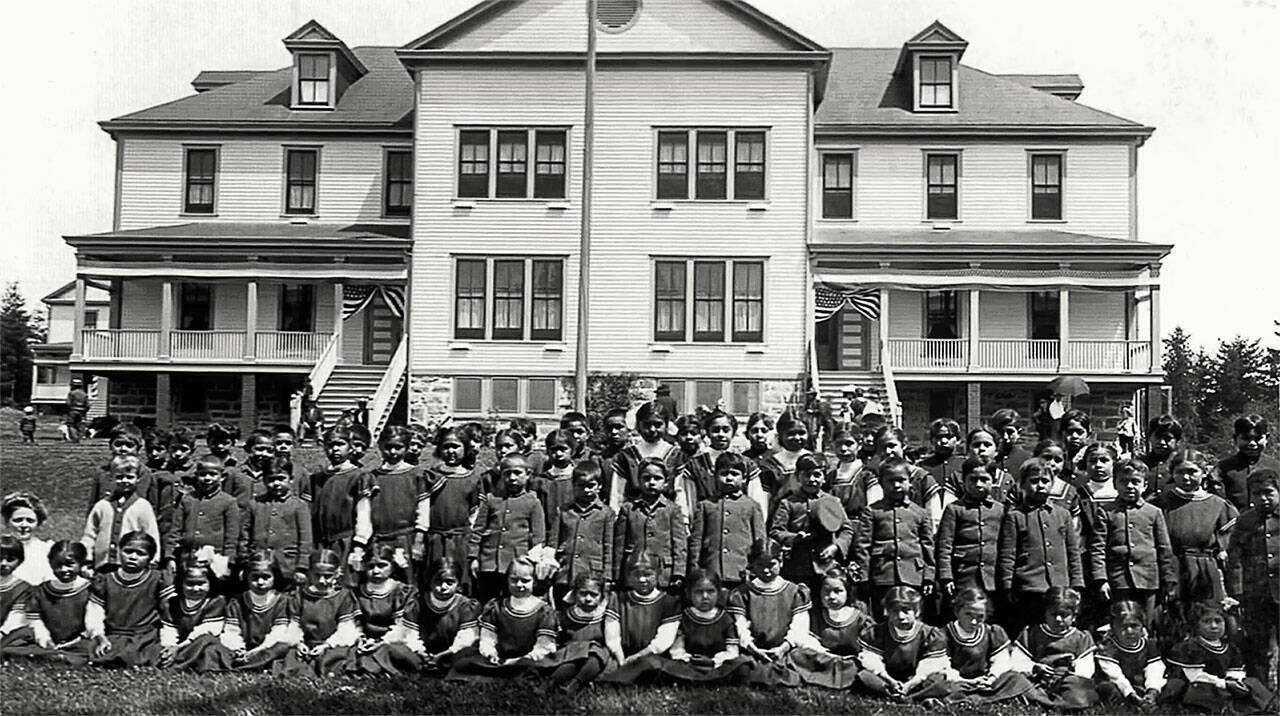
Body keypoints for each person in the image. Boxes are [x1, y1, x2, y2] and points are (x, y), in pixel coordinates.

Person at [1150, 449, 1239, 643]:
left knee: (1207, 620)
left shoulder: (1219, 505)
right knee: (1173, 622)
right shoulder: (1161, 503)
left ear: (1204, 472)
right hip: (1172, 569)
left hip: (1205, 571)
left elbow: (1230, 545)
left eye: (1192, 472)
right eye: (1180, 472)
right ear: (1172, 473)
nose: (1186, 477)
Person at [1081, 459, 1176, 629]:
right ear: (1115, 484)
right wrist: (1101, 579)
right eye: (1124, 482)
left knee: (1146, 624)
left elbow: (1164, 548)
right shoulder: (1106, 511)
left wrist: (1168, 579)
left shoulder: (1153, 512)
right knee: (1121, 622)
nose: (1130, 486)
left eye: (1136, 482)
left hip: (1148, 580)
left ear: (1145, 485)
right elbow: (1098, 547)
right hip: (1118, 580)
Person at [997, 459, 1084, 640]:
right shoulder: (1015, 516)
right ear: (1023, 485)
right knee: (1030, 633)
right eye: (1034, 481)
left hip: (1059, 586)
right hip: (1029, 587)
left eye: (1045, 481)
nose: (1040, 486)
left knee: (1056, 630)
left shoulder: (1063, 515)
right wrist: (1007, 586)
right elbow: (1008, 554)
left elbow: (1072, 552)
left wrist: (1076, 584)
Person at [446, 556, 558, 681]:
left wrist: (523, 659)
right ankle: (501, 670)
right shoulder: (497, 607)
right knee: (464, 659)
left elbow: (543, 646)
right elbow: (487, 638)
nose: (519, 585)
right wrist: (490, 653)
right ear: (507, 580)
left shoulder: (544, 611)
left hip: (527, 659)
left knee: (536, 666)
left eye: (525, 581)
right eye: (514, 580)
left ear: (534, 582)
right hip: (500, 657)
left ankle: (508, 672)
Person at [349, 425, 431, 586]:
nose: (393, 452)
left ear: (406, 448)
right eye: (388, 447)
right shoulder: (371, 477)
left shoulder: (417, 475)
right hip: (378, 540)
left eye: (398, 447)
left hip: (405, 539)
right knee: (377, 580)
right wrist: (361, 542)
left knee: (406, 582)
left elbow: (423, 509)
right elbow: (364, 511)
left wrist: (419, 540)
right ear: (380, 447)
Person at [855, 457, 935, 619]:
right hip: (883, 575)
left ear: (910, 481)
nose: (896, 486)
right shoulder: (872, 512)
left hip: (913, 575)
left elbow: (928, 546)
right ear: (881, 483)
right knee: (884, 617)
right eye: (890, 481)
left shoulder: (920, 513)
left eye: (901, 480)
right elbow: (862, 546)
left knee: (911, 616)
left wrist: (928, 577)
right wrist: (864, 576)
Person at [1162, 601, 1275, 712]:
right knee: (1202, 690)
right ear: (1196, 625)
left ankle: (1263, 708)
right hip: (1198, 687)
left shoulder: (1230, 648)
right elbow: (1195, 676)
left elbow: (1234, 670)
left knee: (1252, 682)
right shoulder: (1190, 647)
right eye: (1207, 622)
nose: (1214, 626)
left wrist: (1234, 681)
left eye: (1218, 621)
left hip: (1223, 686)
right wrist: (1223, 684)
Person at [768, 454, 854, 593]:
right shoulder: (788, 503)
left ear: (824, 477)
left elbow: (846, 530)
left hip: (827, 566)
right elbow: (776, 531)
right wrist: (794, 538)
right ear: (797, 477)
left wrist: (836, 547)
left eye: (817, 475)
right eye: (807, 475)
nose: (812, 479)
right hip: (797, 567)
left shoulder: (832, 501)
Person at [1226, 468, 1280, 690]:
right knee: (1259, 643)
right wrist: (1238, 593)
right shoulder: (1245, 521)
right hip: (1256, 593)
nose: (1263, 498)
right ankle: (1260, 691)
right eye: (1257, 494)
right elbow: (1235, 558)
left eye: (1269, 493)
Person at [727, 543, 809, 687]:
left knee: (804, 658)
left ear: (781, 562)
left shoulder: (794, 591)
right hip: (754, 650)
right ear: (752, 564)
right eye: (760, 565)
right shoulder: (742, 593)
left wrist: (784, 647)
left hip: (785, 650)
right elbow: (740, 626)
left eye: (771, 564)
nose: (766, 570)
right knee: (741, 665)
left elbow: (799, 626)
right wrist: (752, 647)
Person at [651, 568, 752, 684]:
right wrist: (689, 659)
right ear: (688, 594)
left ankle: (701, 680)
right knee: (660, 665)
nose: (705, 597)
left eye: (710, 591)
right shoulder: (684, 617)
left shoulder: (726, 619)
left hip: (717, 665)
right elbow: (677, 650)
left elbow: (732, 652)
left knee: (743, 665)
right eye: (699, 592)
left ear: (719, 593)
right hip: (690, 665)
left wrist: (714, 661)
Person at [469, 455, 546, 605]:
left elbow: (538, 537)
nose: (512, 477)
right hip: (489, 563)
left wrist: (532, 564)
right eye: (507, 473)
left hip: (517, 564)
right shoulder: (491, 499)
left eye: (517, 473)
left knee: (512, 602)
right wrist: (473, 557)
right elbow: (478, 530)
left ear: (528, 475)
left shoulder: (533, 502)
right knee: (487, 602)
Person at [934, 456, 1006, 617]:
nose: (978, 484)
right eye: (973, 479)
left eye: (984, 479)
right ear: (963, 481)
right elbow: (944, 545)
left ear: (993, 480)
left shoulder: (1000, 510)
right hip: (963, 575)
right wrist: (946, 576)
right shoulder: (955, 509)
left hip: (992, 578)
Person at [87, 531, 172, 667]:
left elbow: (168, 615)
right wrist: (99, 636)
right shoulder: (105, 579)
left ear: (150, 557)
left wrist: (169, 643)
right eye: (128, 551)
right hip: (112, 635)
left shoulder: (158, 579)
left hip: (143, 638)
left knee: (139, 655)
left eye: (140, 553)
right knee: (85, 651)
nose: (133, 557)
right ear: (120, 551)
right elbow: (94, 612)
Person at [855, 586, 952, 704]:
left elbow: (930, 664)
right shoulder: (877, 632)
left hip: (917, 679)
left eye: (906, 610)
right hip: (887, 677)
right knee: (864, 676)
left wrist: (911, 683)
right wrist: (890, 680)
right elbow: (872, 660)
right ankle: (897, 693)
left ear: (917, 611)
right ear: (887, 611)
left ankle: (908, 695)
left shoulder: (929, 634)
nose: (901, 616)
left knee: (939, 680)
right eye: (895, 611)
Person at [939, 587, 1036, 703]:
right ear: (956, 612)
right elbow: (942, 665)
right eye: (968, 614)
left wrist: (992, 678)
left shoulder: (992, 632)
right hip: (958, 681)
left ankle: (976, 696)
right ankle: (982, 697)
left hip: (985, 680)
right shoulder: (944, 634)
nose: (974, 622)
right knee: (938, 682)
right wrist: (964, 681)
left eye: (980, 616)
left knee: (1015, 678)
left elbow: (1001, 660)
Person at [273, 549, 361, 677]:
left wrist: (326, 645)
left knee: (337, 656)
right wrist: (298, 643)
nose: (321, 581)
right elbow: (294, 625)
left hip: (330, 644)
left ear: (337, 574)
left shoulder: (343, 597)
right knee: (289, 654)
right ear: (309, 574)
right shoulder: (299, 596)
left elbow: (345, 629)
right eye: (316, 575)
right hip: (307, 644)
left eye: (327, 576)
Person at [597, 552, 682, 683]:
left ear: (658, 573)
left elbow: (663, 641)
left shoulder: (669, 602)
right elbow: (612, 636)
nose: (642, 580)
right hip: (622, 653)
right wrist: (621, 659)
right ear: (628, 576)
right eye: (637, 575)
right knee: (603, 662)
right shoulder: (618, 599)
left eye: (648, 574)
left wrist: (638, 656)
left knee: (652, 664)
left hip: (651, 655)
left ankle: (623, 677)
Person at [688, 452, 767, 592]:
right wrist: (695, 569)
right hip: (711, 572)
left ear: (744, 479)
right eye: (724, 474)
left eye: (735, 474)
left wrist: (756, 570)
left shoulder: (752, 506)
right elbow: (696, 541)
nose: (729, 478)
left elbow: (760, 541)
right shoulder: (706, 505)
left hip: (741, 573)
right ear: (715, 476)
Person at [6, 541, 95, 664]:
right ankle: (51, 654)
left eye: (70, 564)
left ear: (81, 563)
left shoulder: (90, 589)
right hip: (49, 637)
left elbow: (93, 620)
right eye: (58, 565)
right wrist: (43, 637)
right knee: (17, 640)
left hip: (78, 639)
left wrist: (79, 638)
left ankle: (60, 656)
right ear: (51, 564)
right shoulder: (41, 591)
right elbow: (34, 617)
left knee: (93, 648)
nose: (64, 570)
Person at [1012, 586, 1099, 710]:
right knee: (1013, 679)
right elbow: (1018, 660)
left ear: (1074, 616)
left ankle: (1050, 702)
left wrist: (1072, 672)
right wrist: (1034, 667)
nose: (1058, 619)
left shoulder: (1081, 637)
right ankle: (1046, 700)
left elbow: (1085, 668)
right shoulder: (1032, 633)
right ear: (1045, 614)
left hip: (1067, 681)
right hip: (1038, 680)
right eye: (1053, 614)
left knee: (1079, 687)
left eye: (1064, 615)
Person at [783, 567, 869, 689]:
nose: (832, 596)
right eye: (826, 592)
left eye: (838, 591)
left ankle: (844, 678)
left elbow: (867, 647)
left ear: (848, 592)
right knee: (796, 654)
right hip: (823, 659)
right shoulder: (817, 615)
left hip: (849, 662)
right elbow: (809, 639)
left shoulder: (859, 618)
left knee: (859, 667)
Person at [613, 459, 688, 594]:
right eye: (646, 478)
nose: (651, 482)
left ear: (665, 482)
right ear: (639, 481)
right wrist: (616, 574)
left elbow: (679, 545)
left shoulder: (673, 509)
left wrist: (678, 573)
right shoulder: (628, 509)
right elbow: (619, 545)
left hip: (664, 574)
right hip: (634, 572)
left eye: (657, 478)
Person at [423, 426, 484, 592]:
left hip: (460, 539)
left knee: (460, 581)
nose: (451, 451)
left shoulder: (472, 478)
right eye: (446, 446)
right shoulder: (431, 475)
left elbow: (476, 512)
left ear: (465, 449)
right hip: (435, 538)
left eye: (456, 446)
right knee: (434, 579)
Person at [303, 425, 366, 578]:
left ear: (351, 447)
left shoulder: (359, 476)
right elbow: (307, 512)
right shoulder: (315, 479)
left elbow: (363, 513)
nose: (335, 449)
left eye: (340, 444)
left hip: (346, 541)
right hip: (319, 541)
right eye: (331, 445)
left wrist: (359, 545)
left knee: (344, 581)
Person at [344, 545, 419, 676]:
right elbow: (356, 623)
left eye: (382, 565)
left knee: (395, 651)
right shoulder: (357, 593)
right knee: (346, 651)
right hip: (366, 640)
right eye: (371, 566)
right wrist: (360, 638)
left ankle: (374, 666)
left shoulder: (401, 592)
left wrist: (382, 642)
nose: (376, 571)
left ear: (393, 566)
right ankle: (369, 666)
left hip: (391, 639)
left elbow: (402, 627)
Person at [239, 458, 312, 587]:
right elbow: (245, 535)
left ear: (291, 479)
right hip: (259, 565)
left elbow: (305, 539)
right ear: (264, 480)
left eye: (281, 478)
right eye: (271, 479)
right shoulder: (255, 504)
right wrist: (244, 562)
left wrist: (302, 567)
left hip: (288, 565)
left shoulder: (299, 505)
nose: (276, 483)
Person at [82, 454, 160, 572]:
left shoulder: (143, 506)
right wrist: (86, 559)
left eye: (129, 477)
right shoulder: (102, 505)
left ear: (138, 478)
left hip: (131, 565)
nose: (124, 481)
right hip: (102, 564)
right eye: (119, 477)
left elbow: (151, 533)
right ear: (112, 478)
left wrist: (153, 559)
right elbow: (90, 534)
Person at [550, 462, 614, 604]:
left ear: (600, 486)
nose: (586, 490)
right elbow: (553, 543)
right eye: (581, 485)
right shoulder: (564, 511)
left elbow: (608, 546)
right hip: (566, 572)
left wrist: (607, 576)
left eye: (591, 486)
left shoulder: (606, 513)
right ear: (573, 485)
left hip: (592, 574)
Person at [397, 559, 479, 671]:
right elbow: (410, 635)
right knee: (396, 649)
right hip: (420, 651)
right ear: (429, 582)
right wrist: (420, 652)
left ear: (458, 584)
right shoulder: (418, 603)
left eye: (450, 583)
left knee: (469, 652)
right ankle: (425, 663)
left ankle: (441, 664)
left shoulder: (465, 606)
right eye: (438, 582)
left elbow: (466, 638)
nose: (443, 587)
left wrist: (444, 655)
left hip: (451, 652)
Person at [166, 454, 239, 579]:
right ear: (196, 475)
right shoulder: (187, 499)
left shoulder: (228, 501)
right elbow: (175, 530)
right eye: (203, 474)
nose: (207, 478)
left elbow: (231, 536)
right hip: (188, 558)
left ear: (222, 477)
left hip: (215, 560)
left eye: (213, 474)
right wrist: (170, 557)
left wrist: (228, 562)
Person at [538, 573, 614, 694]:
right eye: (583, 593)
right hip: (572, 652)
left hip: (597, 654)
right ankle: (551, 682)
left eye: (594, 595)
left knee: (595, 654)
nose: (588, 598)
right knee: (576, 658)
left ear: (601, 596)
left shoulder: (605, 616)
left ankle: (575, 684)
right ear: (575, 593)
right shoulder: (567, 615)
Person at [220, 551, 294, 671]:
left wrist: (258, 650)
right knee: (216, 645)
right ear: (246, 576)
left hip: (267, 647)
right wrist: (238, 648)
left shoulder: (282, 601)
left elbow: (278, 632)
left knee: (283, 647)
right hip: (243, 647)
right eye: (255, 577)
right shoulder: (237, 602)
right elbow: (231, 631)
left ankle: (245, 665)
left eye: (266, 577)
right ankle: (245, 662)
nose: (260, 582)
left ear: (275, 576)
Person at [158, 561, 232, 671]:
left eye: (201, 583)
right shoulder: (172, 603)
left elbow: (206, 630)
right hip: (179, 644)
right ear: (181, 583)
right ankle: (173, 659)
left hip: (198, 643)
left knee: (209, 645)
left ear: (210, 583)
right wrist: (169, 646)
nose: (196, 588)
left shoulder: (216, 602)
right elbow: (169, 629)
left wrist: (178, 648)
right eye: (190, 584)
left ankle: (183, 663)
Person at [1094, 599, 1166, 708]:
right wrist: (1130, 694)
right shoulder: (1108, 647)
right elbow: (1115, 676)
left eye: (1134, 626)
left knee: (1169, 685)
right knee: (1108, 689)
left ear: (1142, 626)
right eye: (1123, 627)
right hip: (1119, 685)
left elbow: (1154, 668)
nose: (1129, 631)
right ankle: (1131, 702)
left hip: (1140, 682)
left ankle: (1149, 699)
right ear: (1113, 628)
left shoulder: (1148, 644)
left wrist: (1152, 690)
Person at [610, 403, 681, 510]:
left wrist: (683, 519)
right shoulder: (626, 456)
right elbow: (617, 493)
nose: (652, 429)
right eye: (647, 425)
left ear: (666, 425)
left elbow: (680, 492)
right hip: (634, 514)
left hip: (667, 514)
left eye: (657, 425)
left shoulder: (676, 455)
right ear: (638, 426)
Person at [1216, 414, 1280, 512]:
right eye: (1246, 438)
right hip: (1235, 524)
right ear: (1235, 438)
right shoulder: (1223, 468)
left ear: (1267, 438)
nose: (1252, 443)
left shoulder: (1276, 467)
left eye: (1258, 438)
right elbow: (1218, 503)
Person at [756, 411, 812, 510]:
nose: (797, 438)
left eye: (802, 433)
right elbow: (764, 501)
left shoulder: (815, 460)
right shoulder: (769, 465)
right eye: (791, 433)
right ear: (781, 435)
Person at [2, 492, 53, 586]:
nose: (24, 525)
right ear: (7, 521)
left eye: (30, 521)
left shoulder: (46, 550)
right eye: (18, 520)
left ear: (38, 523)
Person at [534, 429, 580, 531]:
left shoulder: (579, 478)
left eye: (563, 449)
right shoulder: (541, 481)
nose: (558, 454)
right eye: (554, 450)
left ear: (572, 450)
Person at [1139, 414, 1183, 498]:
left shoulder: (1181, 464)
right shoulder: (1141, 463)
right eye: (1157, 437)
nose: (1162, 442)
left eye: (1167, 438)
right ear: (1149, 438)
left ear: (1177, 441)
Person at [0, 536, 29, 648]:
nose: (3, 563)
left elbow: (16, 616)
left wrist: (2, 633)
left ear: (19, 561)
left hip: (5, 633)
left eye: (10, 560)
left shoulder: (22, 588)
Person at [990, 409, 1034, 476]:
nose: (1005, 436)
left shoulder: (1027, 459)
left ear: (1018, 433)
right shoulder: (990, 458)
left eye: (1010, 432)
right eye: (1001, 432)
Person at [1058, 410, 1092, 482]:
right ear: (1062, 433)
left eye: (1079, 432)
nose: (1074, 436)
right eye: (1069, 432)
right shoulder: (1058, 457)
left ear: (1088, 434)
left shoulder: (1092, 458)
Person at [65, 377, 89, 443]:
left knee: (71, 424)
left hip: (73, 410)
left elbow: (68, 403)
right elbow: (87, 404)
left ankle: (75, 438)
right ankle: (80, 438)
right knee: (80, 425)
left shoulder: (71, 393)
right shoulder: (84, 394)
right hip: (82, 411)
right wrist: (85, 410)